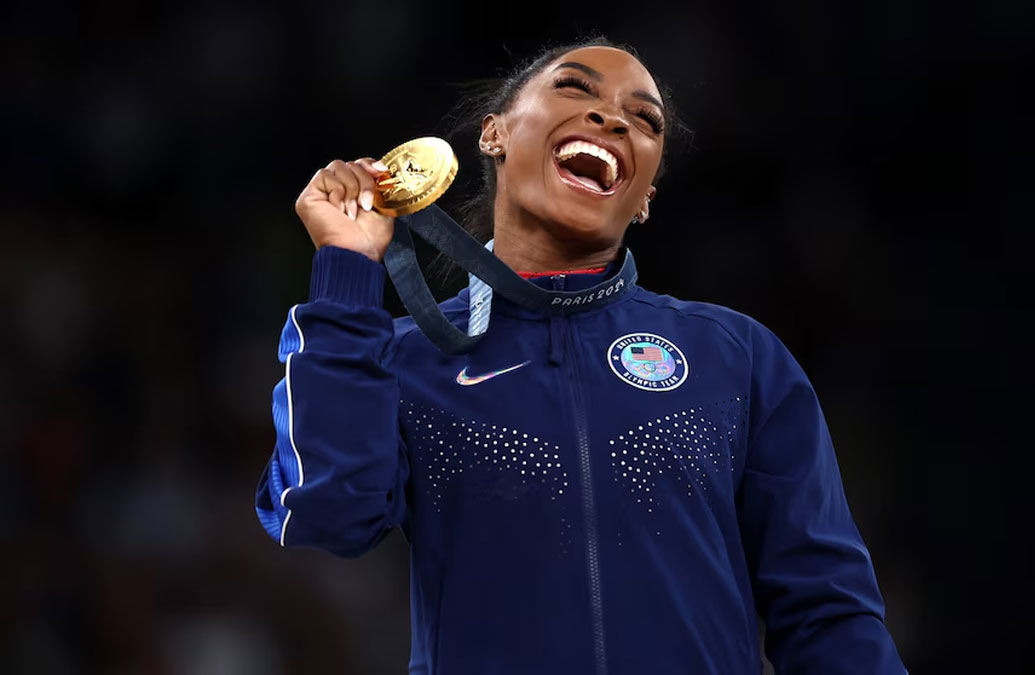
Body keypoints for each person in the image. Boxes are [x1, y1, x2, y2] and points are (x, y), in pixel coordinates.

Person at [255, 38, 907, 675]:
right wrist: (346, 270)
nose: (613, 119)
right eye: (574, 87)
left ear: (645, 196)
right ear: (494, 134)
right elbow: (327, 512)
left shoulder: (735, 357)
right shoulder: (405, 358)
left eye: (644, 120)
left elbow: (827, 610)